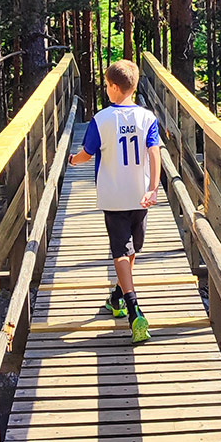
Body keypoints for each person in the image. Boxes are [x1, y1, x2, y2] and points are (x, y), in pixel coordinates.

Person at [68, 59, 161, 344]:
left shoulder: (102, 119)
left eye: (107, 86)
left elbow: (87, 152)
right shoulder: (147, 118)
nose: (105, 90)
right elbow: (154, 152)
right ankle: (126, 305)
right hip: (138, 194)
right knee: (132, 248)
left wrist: (72, 161)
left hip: (113, 196)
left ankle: (125, 303)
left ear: (114, 87)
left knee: (123, 251)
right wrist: (153, 187)